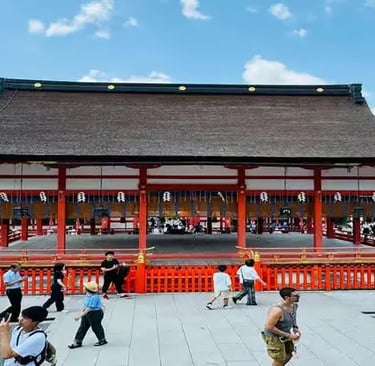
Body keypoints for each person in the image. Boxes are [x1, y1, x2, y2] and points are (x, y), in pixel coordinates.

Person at [262, 287, 301, 366]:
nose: (298, 296)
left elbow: (293, 318)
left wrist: (295, 329)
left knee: (289, 354)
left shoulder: (294, 306)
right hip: (274, 337)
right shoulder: (277, 310)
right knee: (279, 359)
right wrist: (289, 335)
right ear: (287, 297)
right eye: (295, 295)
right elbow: (269, 327)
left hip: (285, 334)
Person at [68, 281, 108, 349]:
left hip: (95, 313)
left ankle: (102, 339)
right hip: (87, 312)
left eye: (84, 287)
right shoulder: (88, 295)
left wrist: (79, 316)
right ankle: (78, 341)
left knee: (96, 327)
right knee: (83, 326)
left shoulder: (95, 297)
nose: (83, 288)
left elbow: (89, 308)